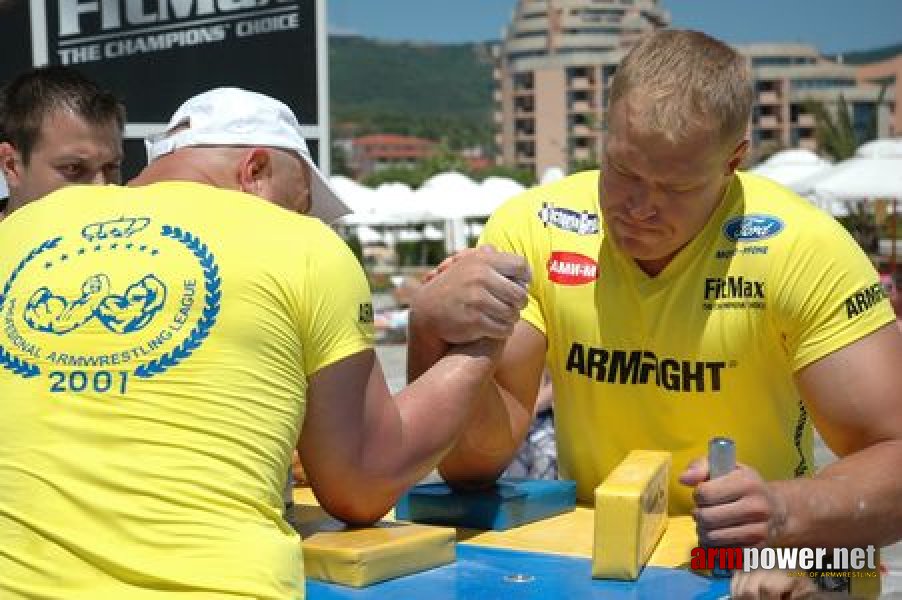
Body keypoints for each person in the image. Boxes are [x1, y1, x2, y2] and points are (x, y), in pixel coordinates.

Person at [409, 27, 902, 578]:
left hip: (758, 565)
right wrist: (431, 334)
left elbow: (893, 452)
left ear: (734, 159)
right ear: (604, 131)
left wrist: (788, 509)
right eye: (622, 170)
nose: (640, 206)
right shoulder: (533, 227)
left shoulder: (801, 247)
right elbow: (474, 464)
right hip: (605, 566)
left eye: (677, 187)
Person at [0, 87, 529, 599]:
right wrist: (480, 339)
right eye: (298, 202)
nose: (301, 219)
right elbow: (361, 483)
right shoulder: (303, 246)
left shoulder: (17, 232)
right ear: (254, 172)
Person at [0, 65, 124, 220]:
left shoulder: (145, 235)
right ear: (11, 166)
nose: (101, 187)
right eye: (73, 168)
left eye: (110, 167)